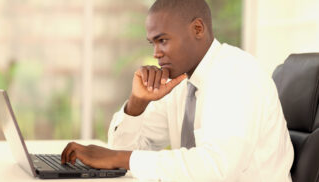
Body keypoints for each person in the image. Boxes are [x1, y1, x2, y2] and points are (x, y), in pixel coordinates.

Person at [61, 0, 294, 181]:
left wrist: (121, 159)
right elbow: (123, 154)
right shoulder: (182, 82)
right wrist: (137, 104)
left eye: (163, 40)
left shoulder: (235, 73)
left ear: (198, 29)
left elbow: (217, 169)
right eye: (152, 43)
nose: (156, 53)